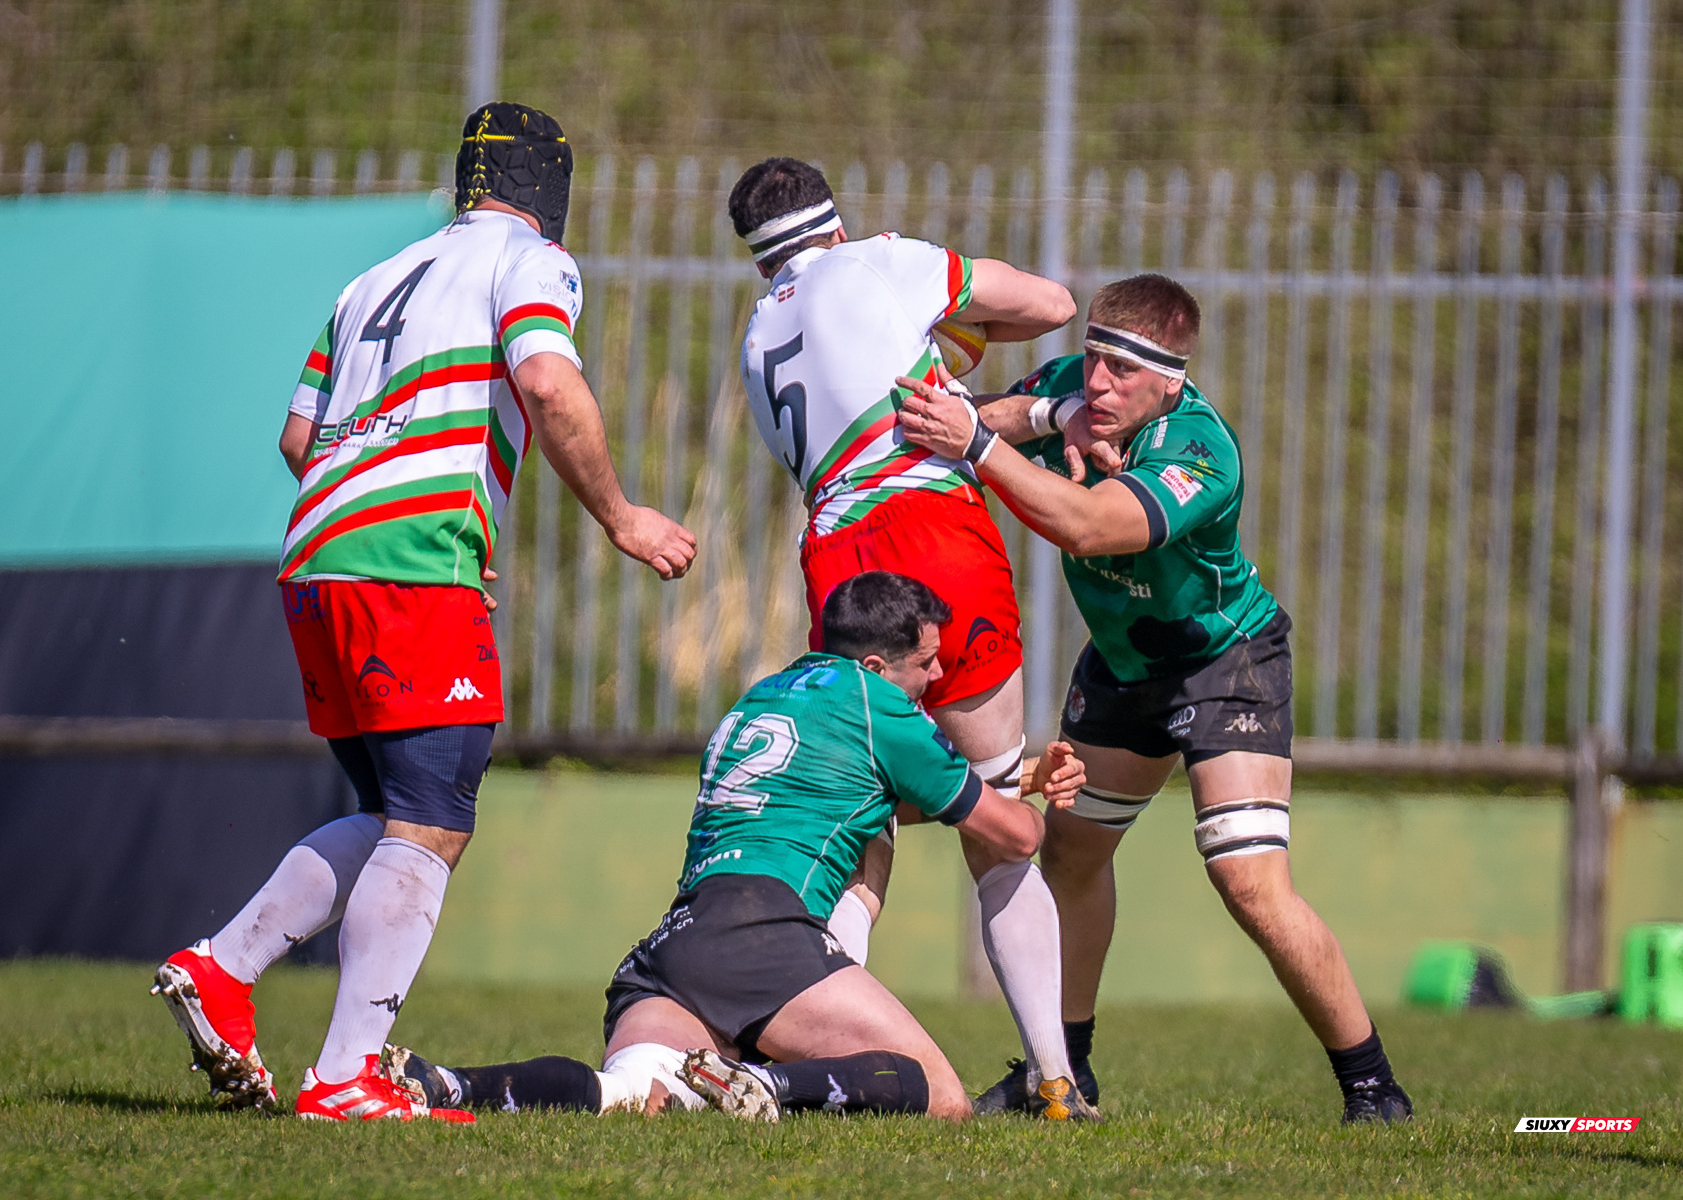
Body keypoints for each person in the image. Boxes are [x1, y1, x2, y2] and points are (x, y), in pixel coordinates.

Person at [151, 102, 697, 1123]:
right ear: (548, 192)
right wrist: (621, 518)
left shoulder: (371, 279)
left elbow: (295, 436)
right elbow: (548, 381)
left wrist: (380, 503)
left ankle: (223, 970)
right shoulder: (532, 260)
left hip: (316, 554)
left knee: (389, 812)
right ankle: (347, 1074)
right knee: (435, 814)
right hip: (404, 570)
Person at [894, 273, 1413, 1125]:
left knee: (1247, 880)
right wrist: (1040, 417)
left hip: (1223, 662)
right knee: (1068, 854)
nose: (1097, 383)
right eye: (1093, 359)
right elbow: (967, 413)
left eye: (1121, 373)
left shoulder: (1202, 451)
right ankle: (1063, 1073)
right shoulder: (1075, 392)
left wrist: (984, 449)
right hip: (1124, 664)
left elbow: (1089, 525)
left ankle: (1373, 1089)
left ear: (1170, 378)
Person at [377, 571, 1086, 1123]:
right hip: (765, 935)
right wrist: (1036, 792)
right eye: (926, 664)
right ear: (875, 666)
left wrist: (1015, 779)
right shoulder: (879, 705)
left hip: (676, 944)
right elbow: (1015, 838)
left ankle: (449, 1083)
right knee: (939, 1093)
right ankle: (765, 1082)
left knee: (632, 1089)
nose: (936, 679)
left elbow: (848, 800)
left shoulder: (766, 693)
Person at [727, 157, 1092, 1117]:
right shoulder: (881, 262)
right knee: (1003, 809)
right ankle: (1055, 1080)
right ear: (836, 224)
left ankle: (809, 1066)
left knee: (863, 821)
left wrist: (934, 348)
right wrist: (956, 330)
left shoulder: (759, 334)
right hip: (930, 525)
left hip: (836, 550)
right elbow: (1051, 301)